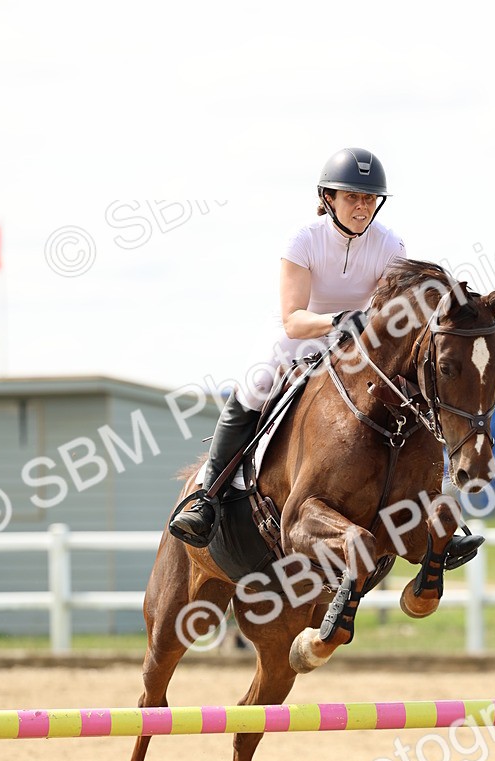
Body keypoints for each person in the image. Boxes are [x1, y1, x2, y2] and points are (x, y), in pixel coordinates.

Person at [169, 146, 405, 546]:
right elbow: (294, 318)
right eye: (352, 197)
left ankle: (432, 506)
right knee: (256, 384)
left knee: (407, 388)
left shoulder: (391, 245)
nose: (362, 207)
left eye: (369, 199)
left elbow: (384, 311)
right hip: (297, 333)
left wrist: (361, 328)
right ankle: (207, 498)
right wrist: (338, 321)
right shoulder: (303, 239)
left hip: (358, 339)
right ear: (328, 198)